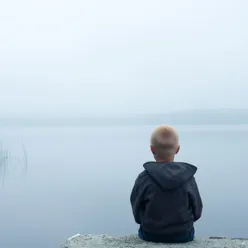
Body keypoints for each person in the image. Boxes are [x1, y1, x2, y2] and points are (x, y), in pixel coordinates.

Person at [130, 125, 203, 243]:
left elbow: (136, 208)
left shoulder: (144, 177)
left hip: (151, 234)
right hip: (183, 235)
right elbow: (197, 210)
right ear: (177, 149)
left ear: (152, 149)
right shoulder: (188, 178)